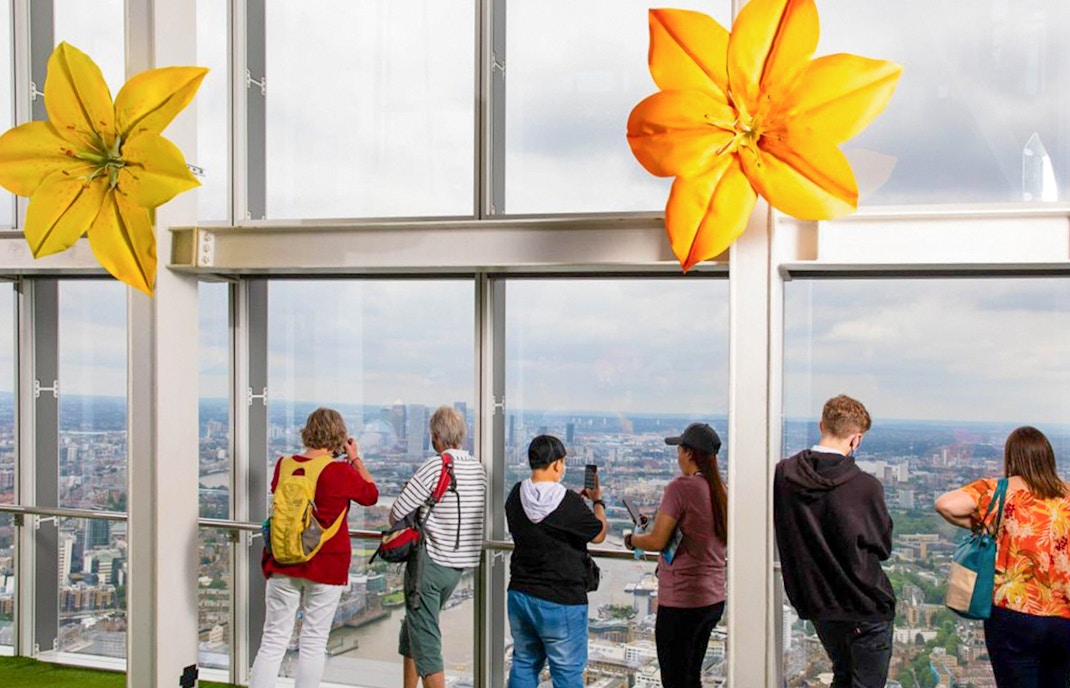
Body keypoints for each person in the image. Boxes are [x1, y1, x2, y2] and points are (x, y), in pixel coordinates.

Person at [250, 408, 378, 688]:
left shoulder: (284, 465)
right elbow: (371, 495)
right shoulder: (339, 471)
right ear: (339, 437)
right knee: (313, 642)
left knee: (272, 640)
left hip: (282, 559)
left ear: (307, 432)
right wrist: (355, 458)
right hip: (326, 565)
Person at [773, 395, 894, 688]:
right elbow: (882, 546)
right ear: (856, 439)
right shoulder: (865, 487)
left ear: (821, 426)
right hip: (864, 604)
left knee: (842, 674)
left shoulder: (785, 475)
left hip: (819, 602)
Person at [935, 426, 1070, 687]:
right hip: (1064, 616)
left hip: (1013, 614)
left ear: (1011, 457)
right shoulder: (1066, 495)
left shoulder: (999, 492)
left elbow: (945, 504)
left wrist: (984, 525)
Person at [390, 405, 487, 688]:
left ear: (435, 435)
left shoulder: (436, 465)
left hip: (429, 565)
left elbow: (397, 512)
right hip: (457, 567)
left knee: (427, 643)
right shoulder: (477, 469)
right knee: (414, 628)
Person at [625, 422, 727, 688]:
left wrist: (631, 540)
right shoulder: (720, 491)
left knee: (674, 680)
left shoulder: (680, 488)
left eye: (680, 450)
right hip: (712, 599)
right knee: (691, 677)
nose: (677, 456)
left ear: (689, 453)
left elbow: (657, 540)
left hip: (682, 600)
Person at [505, 435, 609, 688]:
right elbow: (599, 534)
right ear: (556, 464)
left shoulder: (516, 493)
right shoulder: (568, 502)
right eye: (562, 462)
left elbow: (537, 524)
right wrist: (597, 501)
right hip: (561, 599)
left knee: (524, 662)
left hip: (521, 593)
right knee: (566, 671)